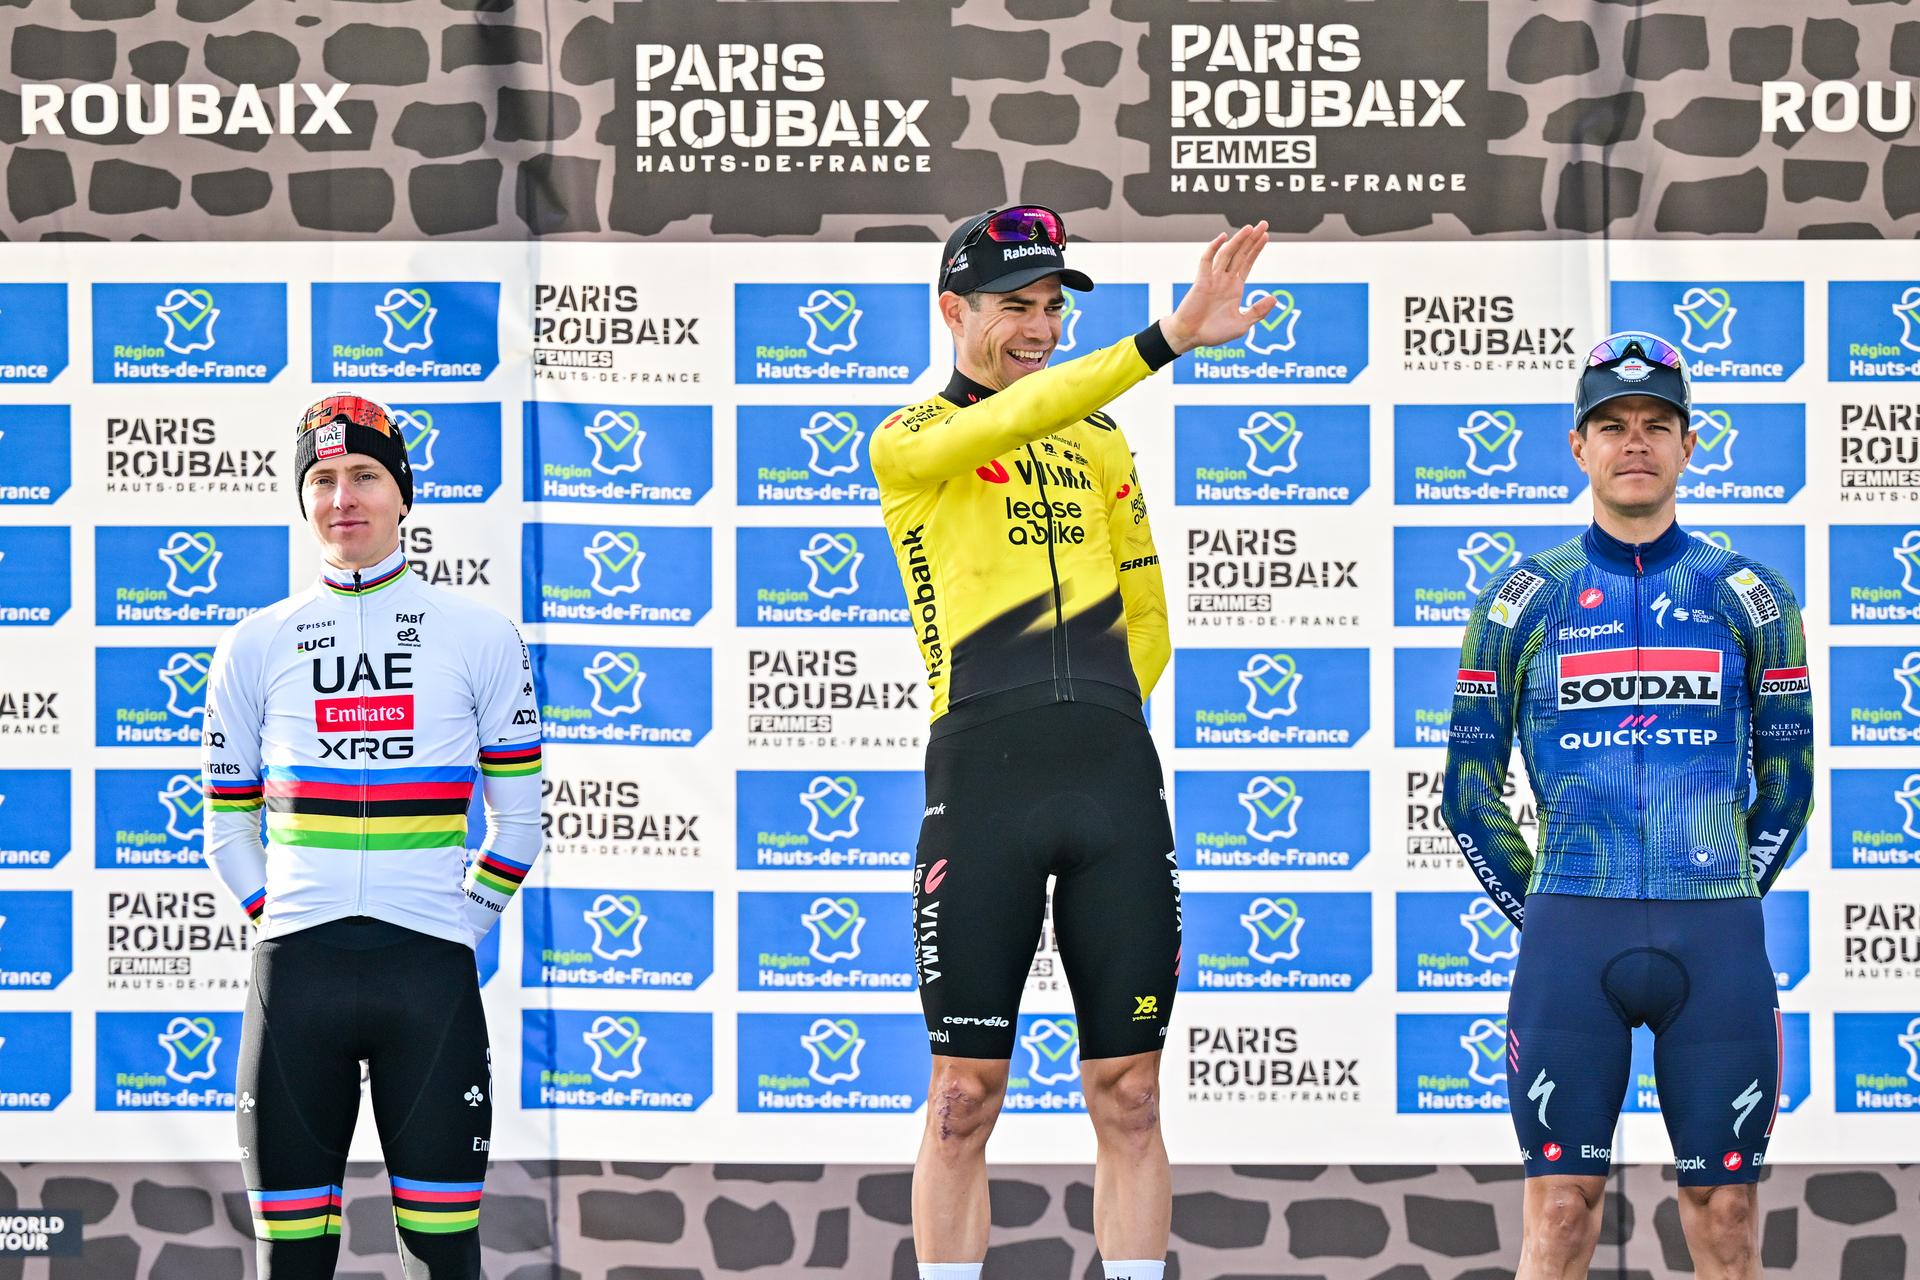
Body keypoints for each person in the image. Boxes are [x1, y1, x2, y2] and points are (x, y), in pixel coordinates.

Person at [872, 207, 1275, 1280]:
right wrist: (1165, 338)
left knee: (1132, 1090)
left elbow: (1146, 605)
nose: (1040, 329)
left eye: (1055, 307)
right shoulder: (912, 439)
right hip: (983, 779)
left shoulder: (1100, 437)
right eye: (1016, 307)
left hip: (1109, 778)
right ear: (953, 311)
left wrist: (1104, 717)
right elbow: (1025, 410)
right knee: (961, 1098)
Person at [1442, 333, 1814, 1280]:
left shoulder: (1752, 596)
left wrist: (1727, 887)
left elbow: (1792, 779)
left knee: (1724, 1215)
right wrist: (1554, 908)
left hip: (1716, 939)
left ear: (1691, 445)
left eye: (1657, 425)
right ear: (1579, 447)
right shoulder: (1523, 598)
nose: (1635, 442)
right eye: (1612, 425)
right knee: (1562, 1214)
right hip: (1573, 931)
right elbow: (1468, 790)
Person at [202, 394, 543, 1279]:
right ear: (302, 498)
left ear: (403, 496)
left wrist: (457, 922)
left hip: (427, 975)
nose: (342, 497)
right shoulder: (254, 643)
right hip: (295, 976)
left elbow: (521, 820)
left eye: (364, 475)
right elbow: (224, 819)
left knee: (442, 1256)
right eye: (322, 479)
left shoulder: (480, 634)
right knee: (292, 1264)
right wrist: (277, 911)